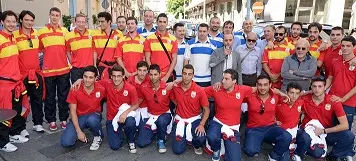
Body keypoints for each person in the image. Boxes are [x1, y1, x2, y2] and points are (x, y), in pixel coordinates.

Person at [72, 65, 140, 151]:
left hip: (125, 116)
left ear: (123, 76)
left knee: (130, 122)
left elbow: (136, 104)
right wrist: (80, 80)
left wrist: (125, 113)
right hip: (111, 118)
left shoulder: (130, 88)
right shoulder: (107, 83)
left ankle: (131, 141)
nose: (116, 79)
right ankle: (120, 130)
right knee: (115, 146)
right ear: (111, 76)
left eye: (119, 76)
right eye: (114, 76)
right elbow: (91, 81)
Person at [293, 76, 355, 161]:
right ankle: (303, 149)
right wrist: (302, 93)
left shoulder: (333, 101)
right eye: (314, 86)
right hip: (308, 131)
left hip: (325, 131)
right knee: (317, 153)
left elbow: (345, 125)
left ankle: (332, 156)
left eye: (320, 86)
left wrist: (323, 131)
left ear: (325, 87)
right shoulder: (304, 99)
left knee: (349, 135)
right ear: (311, 87)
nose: (317, 89)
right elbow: (290, 102)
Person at [0, 10, 30, 153]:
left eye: (13, 22)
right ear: (2, 22)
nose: (12, 24)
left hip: (16, 82)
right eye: (8, 21)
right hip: (4, 84)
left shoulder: (12, 38)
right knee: (4, 113)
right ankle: (2, 142)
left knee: (16, 110)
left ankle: (13, 134)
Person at [244, 75, 292, 161]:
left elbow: (289, 101)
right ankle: (263, 142)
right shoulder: (250, 95)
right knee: (250, 151)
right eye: (260, 85)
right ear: (256, 85)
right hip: (254, 129)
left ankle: (274, 156)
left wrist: (280, 93)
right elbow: (237, 89)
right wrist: (253, 89)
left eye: (265, 85)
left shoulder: (276, 96)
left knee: (287, 136)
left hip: (271, 127)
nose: (262, 88)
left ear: (270, 85)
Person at [38, 7, 70, 130]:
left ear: (60, 17)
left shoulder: (65, 32)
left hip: (63, 70)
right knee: (50, 97)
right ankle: (51, 120)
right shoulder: (41, 32)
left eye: (57, 15)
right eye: (53, 15)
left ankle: (63, 119)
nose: (55, 17)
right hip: (48, 71)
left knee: (63, 96)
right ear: (49, 15)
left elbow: (68, 49)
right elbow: (38, 50)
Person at [13, 10, 44, 133]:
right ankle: (21, 128)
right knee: (21, 102)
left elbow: (41, 50)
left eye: (31, 20)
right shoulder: (14, 35)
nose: (29, 22)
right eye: (26, 20)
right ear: (21, 20)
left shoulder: (37, 34)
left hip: (36, 73)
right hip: (21, 75)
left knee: (37, 99)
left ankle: (38, 123)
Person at [60, 66, 105, 151]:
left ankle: (98, 136)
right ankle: (79, 130)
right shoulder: (75, 89)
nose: (87, 80)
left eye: (91, 77)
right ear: (82, 76)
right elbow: (72, 112)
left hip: (94, 115)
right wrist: (78, 131)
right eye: (85, 77)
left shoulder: (101, 88)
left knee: (92, 120)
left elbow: (116, 82)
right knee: (66, 143)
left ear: (96, 78)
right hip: (79, 117)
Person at [170, 64, 209, 155]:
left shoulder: (199, 90)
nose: (186, 77)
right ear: (181, 74)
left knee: (201, 138)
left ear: (193, 76)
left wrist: (202, 124)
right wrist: (179, 105)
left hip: (194, 119)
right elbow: (171, 97)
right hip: (180, 119)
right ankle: (183, 137)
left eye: (189, 74)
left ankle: (196, 144)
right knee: (177, 151)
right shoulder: (175, 87)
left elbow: (206, 110)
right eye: (184, 73)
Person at [136, 64, 173, 153]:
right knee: (141, 143)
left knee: (161, 121)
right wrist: (127, 112)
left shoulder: (167, 86)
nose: (153, 77)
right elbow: (138, 102)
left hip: (165, 114)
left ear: (160, 74)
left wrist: (174, 82)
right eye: (151, 75)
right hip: (151, 116)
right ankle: (156, 131)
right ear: (148, 75)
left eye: (155, 74)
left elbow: (177, 101)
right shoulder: (143, 87)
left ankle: (161, 140)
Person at [325, 36, 356, 130]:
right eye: (343, 46)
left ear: (354, 47)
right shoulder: (335, 60)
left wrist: (343, 99)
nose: (345, 48)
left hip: (348, 102)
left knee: (344, 130)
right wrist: (322, 90)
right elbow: (330, 78)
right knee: (330, 125)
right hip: (332, 98)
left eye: (348, 46)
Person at [184, 23, 223, 87]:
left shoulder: (213, 44)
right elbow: (186, 60)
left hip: (207, 79)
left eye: (204, 31)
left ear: (208, 32)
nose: (202, 33)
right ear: (197, 31)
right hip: (193, 79)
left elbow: (215, 63)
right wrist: (186, 76)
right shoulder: (190, 43)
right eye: (200, 31)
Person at [144, 13, 178, 82]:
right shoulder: (149, 38)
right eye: (160, 22)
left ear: (167, 23)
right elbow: (147, 58)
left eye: (164, 22)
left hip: (168, 76)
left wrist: (167, 76)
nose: (162, 24)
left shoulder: (173, 39)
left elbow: (174, 59)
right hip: (153, 76)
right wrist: (153, 74)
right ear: (156, 22)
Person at [275, 82, 304, 158]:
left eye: (297, 93)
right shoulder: (278, 102)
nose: (294, 96)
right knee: (284, 157)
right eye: (291, 93)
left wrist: (309, 91)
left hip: (294, 131)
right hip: (282, 132)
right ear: (286, 92)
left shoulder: (301, 102)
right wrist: (274, 121)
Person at [92, 12, 123, 80]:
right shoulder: (95, 34)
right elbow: (94, 51)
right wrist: (94, 66)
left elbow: (121, 52)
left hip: (115, 67)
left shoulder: (119, 34)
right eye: (99, 21)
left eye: (103, 21)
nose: (100, 24)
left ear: (109, 22)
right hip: (101, 67)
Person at [65, 13, 94, 83]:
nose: (81, 24)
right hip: (76, 70)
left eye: (83, 22)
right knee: (77, 91)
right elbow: (67, 50)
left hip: (89, 69)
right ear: (75, 22)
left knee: (89, 91)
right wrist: (72, 62)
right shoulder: (68, 36)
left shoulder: (92, 34)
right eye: (79, 22)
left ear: (86, 23)